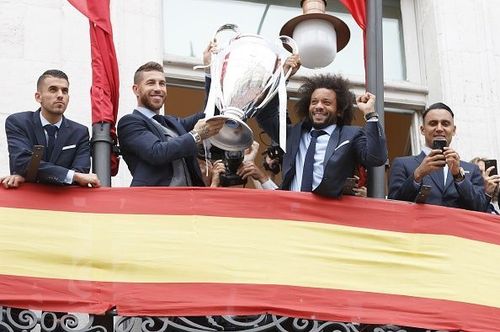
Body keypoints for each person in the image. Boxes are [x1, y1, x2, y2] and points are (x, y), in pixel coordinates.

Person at [255, 74, 387, 198]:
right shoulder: (292, 135)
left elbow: (376, 158)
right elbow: (265, 115)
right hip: (292, 212)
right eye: (314, 102)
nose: (318, 106)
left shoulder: (350, 135)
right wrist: (284, 76)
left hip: (327, 217)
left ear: (339, 111)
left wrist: (370, 114)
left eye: (326, 103)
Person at [117, 61, 225, 186]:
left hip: (188, 200)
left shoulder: (172, 122)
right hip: (155, 201)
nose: (158, 88)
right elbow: (156, 152)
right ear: (136, 90)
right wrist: (196, 135)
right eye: (151, 83)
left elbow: (211, 115)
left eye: (162, 84)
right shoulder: (129, 122)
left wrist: (209, 70)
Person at [1, 69, 100, 189]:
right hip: (26, 202)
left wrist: (30, 176)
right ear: (38, 97)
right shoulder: (18, 122)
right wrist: (72, 176)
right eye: (53, 90)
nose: (60, 95)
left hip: (63, 202)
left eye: (65, 91)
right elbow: (22, 163)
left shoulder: (80, 132)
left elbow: (81, 172)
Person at [388, 102, 487, 211]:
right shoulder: (402, 164)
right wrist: (418, 175)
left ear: (453, 130)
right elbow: (394, 206)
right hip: (418, 227)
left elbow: (481, 208)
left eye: (445, 123)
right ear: (422, 130)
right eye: (433, 123)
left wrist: (458, 176)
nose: (439, 128)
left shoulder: (472, 169)